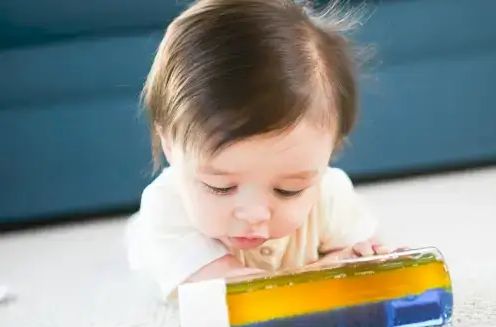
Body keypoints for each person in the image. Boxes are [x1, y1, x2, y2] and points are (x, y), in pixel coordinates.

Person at [126, 0, 388, 301]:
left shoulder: (329, 192)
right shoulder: (168, 208)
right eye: (221, 187)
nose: (254, 215)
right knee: (142, 239)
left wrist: (359, 257)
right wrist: (330, 269)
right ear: (170, 145)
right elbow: (234, 295)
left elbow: (365, 257)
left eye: (288, 190)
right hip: (156, 246)